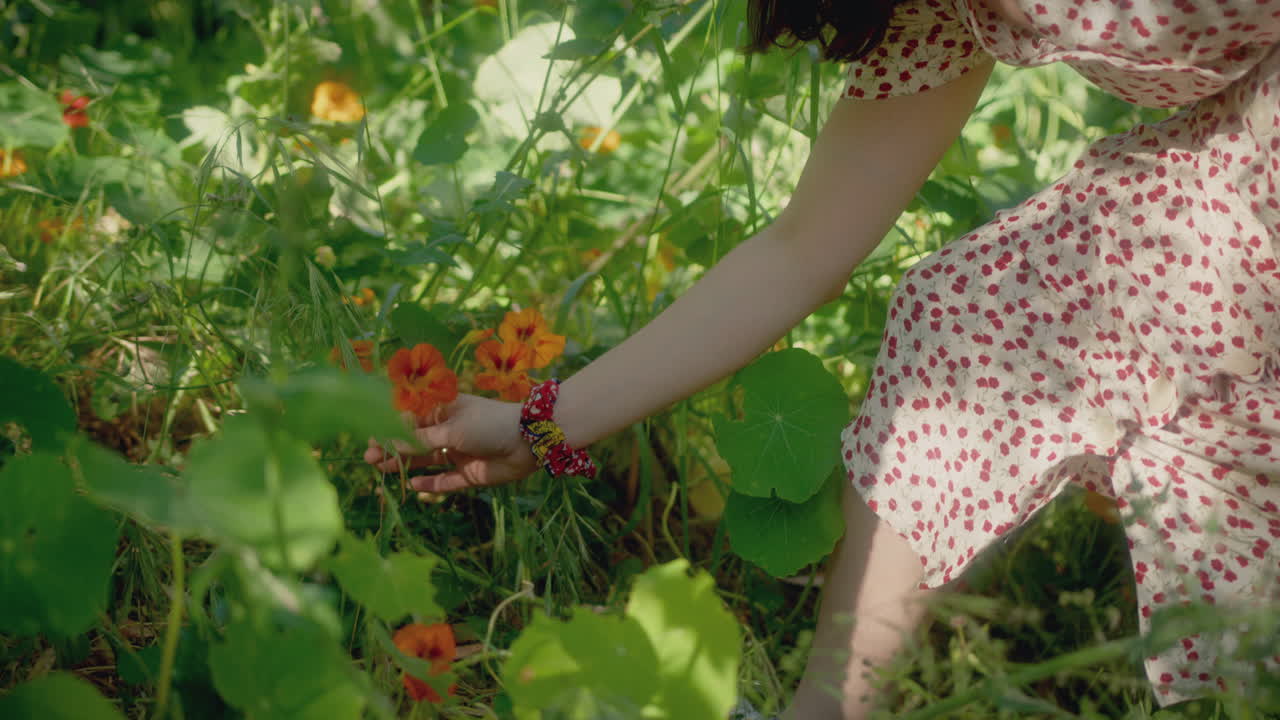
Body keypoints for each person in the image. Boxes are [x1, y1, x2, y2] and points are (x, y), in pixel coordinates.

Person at [367, 0, 1280, 716]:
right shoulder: (941, 14)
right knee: (967, 316)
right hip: (1239, 153)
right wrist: (542, 425)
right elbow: (802, 246)